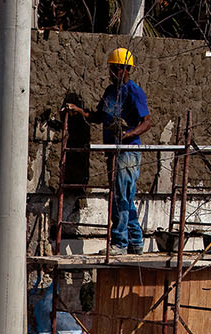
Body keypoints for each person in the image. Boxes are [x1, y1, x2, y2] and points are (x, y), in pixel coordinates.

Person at [67, 48, 152, 254]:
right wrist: (80, 112)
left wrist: (128, 134)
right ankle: (136, 241)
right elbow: (99, 116)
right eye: (111, 69)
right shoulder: (110, 92)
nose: (111, 73)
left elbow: (147, 122)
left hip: (128, 152)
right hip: (113, 151)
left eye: (115, 69)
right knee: (124, 197)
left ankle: (120, 243)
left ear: (125, 69)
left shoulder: (134, 92)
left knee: (120, 198)